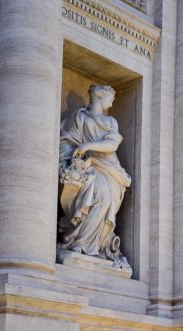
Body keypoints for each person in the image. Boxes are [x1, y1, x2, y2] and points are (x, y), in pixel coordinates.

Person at [58, 84, 131, 269]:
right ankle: (79, 242)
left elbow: (112, 145)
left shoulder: (111, 122)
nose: (113, 101)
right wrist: (74, 160)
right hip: (87, 167)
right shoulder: (79, 118)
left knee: (105, 198)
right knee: (96, 193)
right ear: (99, 97)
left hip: (109, 168)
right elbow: (66, 140)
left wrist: (88, 147)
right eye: (110, 97)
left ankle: (93, 245)